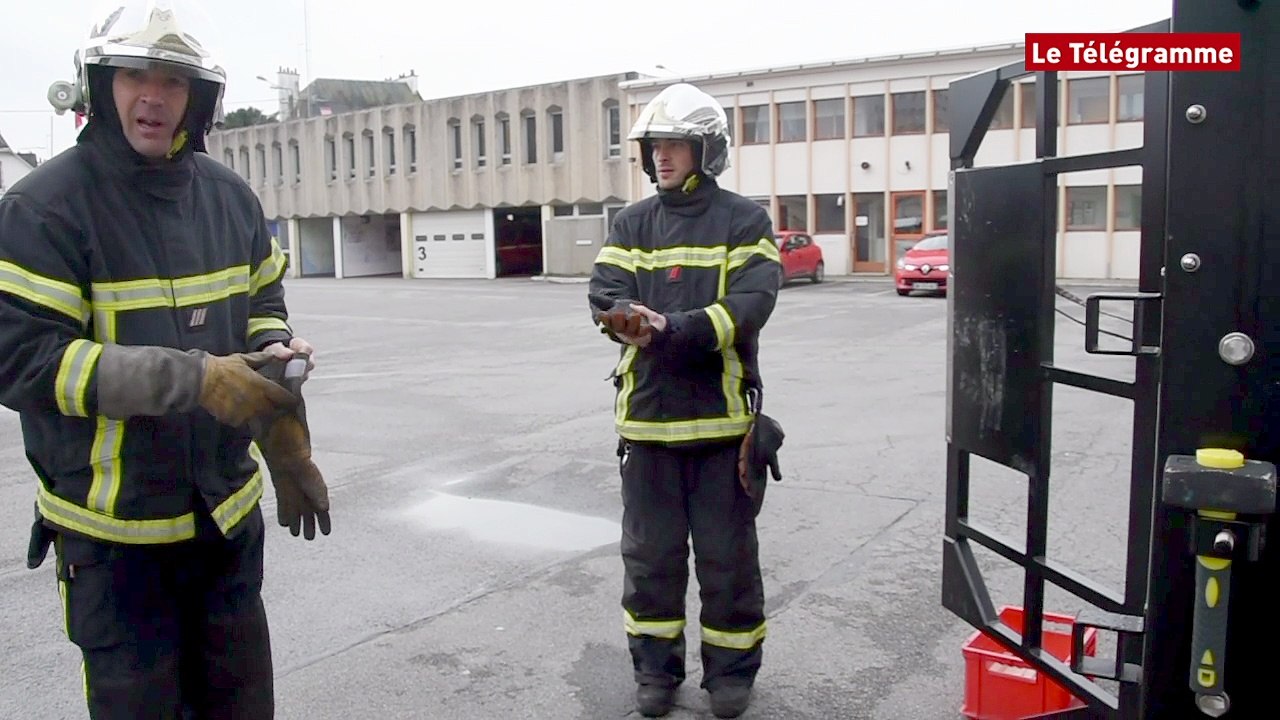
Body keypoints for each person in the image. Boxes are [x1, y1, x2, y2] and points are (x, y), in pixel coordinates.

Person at [0, 1, 330, 717]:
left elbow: (263, 301)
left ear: (197, 98)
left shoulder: (230, 197)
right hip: (115, 549)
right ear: (100, 86)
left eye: (173, 81)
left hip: (225, 528)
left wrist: (274, 358)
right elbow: (23, 360)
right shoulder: (43, 208)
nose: (154, 96)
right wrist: (192, 378)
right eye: (134, 76)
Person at [587, 82, 784, 719]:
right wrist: (624, 316)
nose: (661, 156)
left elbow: (751, 303)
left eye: (675, 143)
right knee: (650, 563)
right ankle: (655, 672)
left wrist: (676, 328)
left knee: (729, 564)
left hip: (722, 428)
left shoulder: (745, 221)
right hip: (647, 428)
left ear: (706, 149)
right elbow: (605, 290)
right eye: (655, 145)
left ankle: (730, 676)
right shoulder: (631, 222)